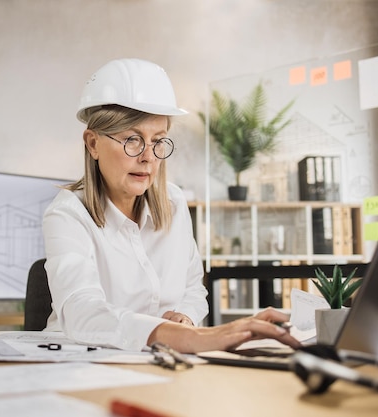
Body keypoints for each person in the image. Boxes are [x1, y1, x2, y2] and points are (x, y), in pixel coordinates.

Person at [42, 58, 300, 353]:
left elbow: (194, 288)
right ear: (93, 144)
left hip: (160, 360)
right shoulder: (68, 213)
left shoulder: (174, 203)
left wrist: (185, 319)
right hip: (80, 363)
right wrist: (185, 336)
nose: (148, 157)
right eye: (132, 140)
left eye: (159, 141)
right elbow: (82, 313)